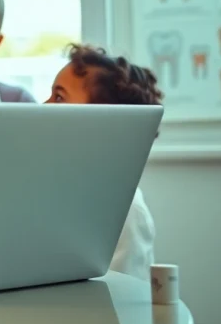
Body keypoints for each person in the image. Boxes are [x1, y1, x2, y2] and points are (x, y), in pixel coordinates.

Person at [45, 43, 160, 280]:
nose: (42, 106)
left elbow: (126, 304)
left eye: (58, 97)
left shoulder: (128, 213)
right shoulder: (56, 188)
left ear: (103, 122)